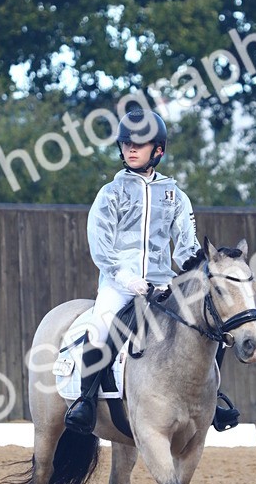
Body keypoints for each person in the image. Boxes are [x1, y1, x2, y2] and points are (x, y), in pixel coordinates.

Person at [63, 108, 240, 435]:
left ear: (158, 150)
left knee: (211, 323)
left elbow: (185, 246)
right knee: (102, 327)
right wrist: (125, 278)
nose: (130, 149)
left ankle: (211, 401)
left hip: (162, 284)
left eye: (139, 144)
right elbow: (100, 246)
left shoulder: (175, 196)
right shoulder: (111, 194)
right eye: (126, 143)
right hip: (119, 284)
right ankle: (85, 403)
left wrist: (199, 264)